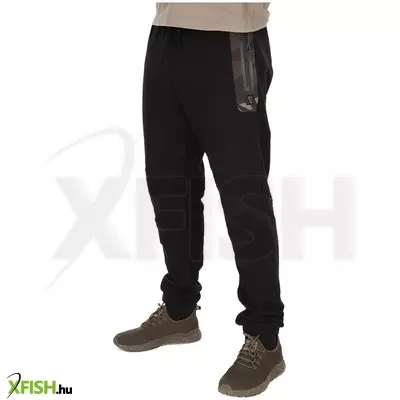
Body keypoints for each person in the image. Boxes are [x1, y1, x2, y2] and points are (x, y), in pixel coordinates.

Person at [113, 2, 285, 397]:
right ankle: (179, 310)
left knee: (244, 196)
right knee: (169, 183)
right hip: (166, 35)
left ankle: (265, 337)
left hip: (231, 38)